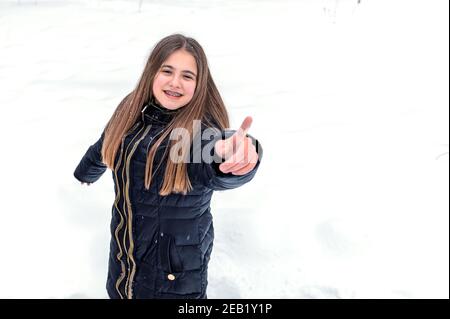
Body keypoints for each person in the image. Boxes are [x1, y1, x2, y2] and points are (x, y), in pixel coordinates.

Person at [73, 34, 263, 299]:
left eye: (187, 76)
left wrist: (233, 157)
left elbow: (212, 157)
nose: (175, 82)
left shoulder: (193, 134)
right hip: (123, 265)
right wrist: (85, 172)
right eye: (167, 71)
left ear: (199, 84)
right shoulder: (131, 111)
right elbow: (106, 143)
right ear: (152, 72)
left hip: (173, 281)